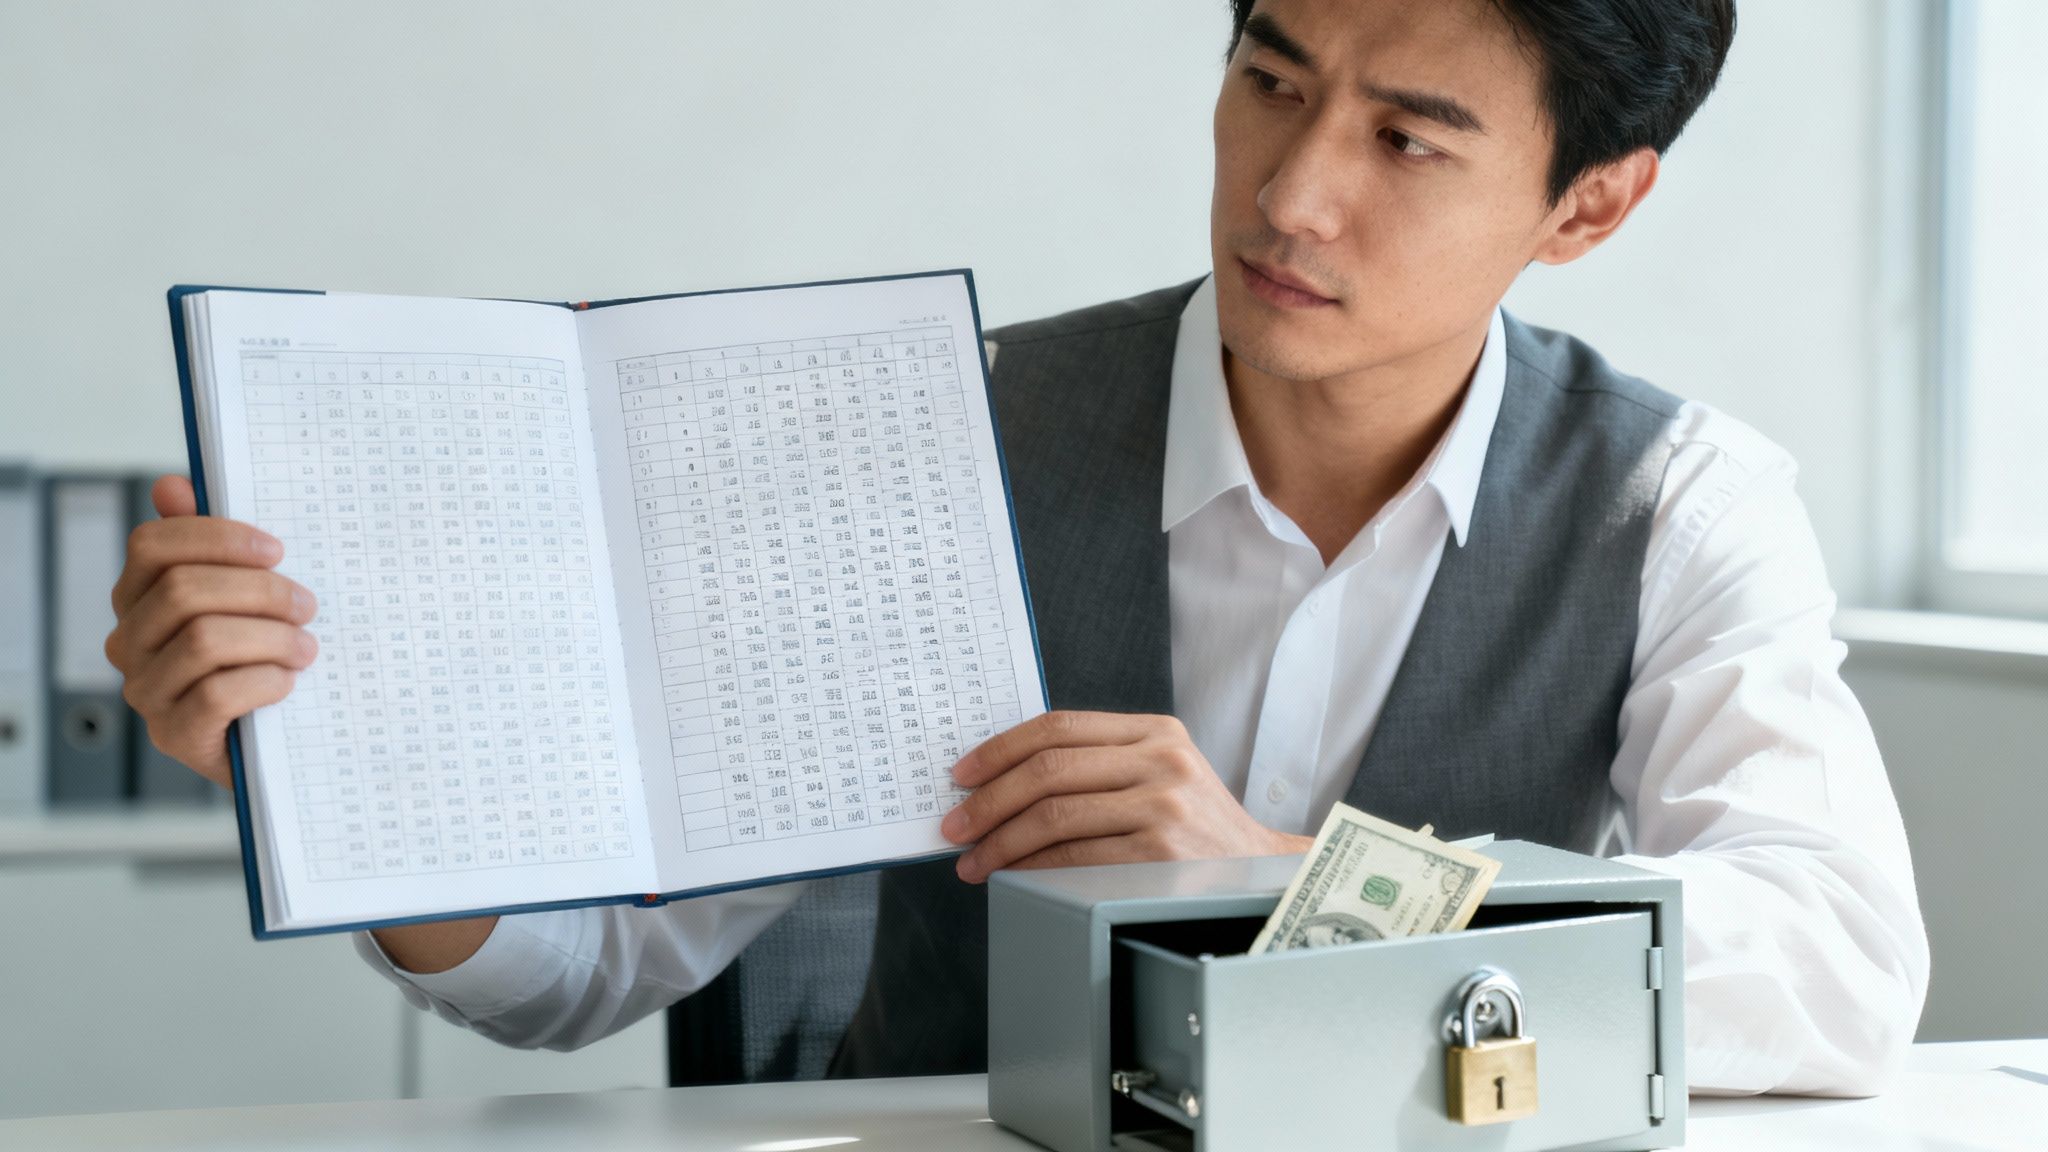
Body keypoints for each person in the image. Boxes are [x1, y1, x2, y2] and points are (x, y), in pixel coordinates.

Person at [106, 0, 1928, 1096]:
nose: (1294, 192)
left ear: (1590, 203)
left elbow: (1839, 962)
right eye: (1273, 80)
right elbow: (587, 968)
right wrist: (337, 765)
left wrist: (1286, 875)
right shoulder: (945, 426)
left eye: (1407, 139)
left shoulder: (1682, 501)